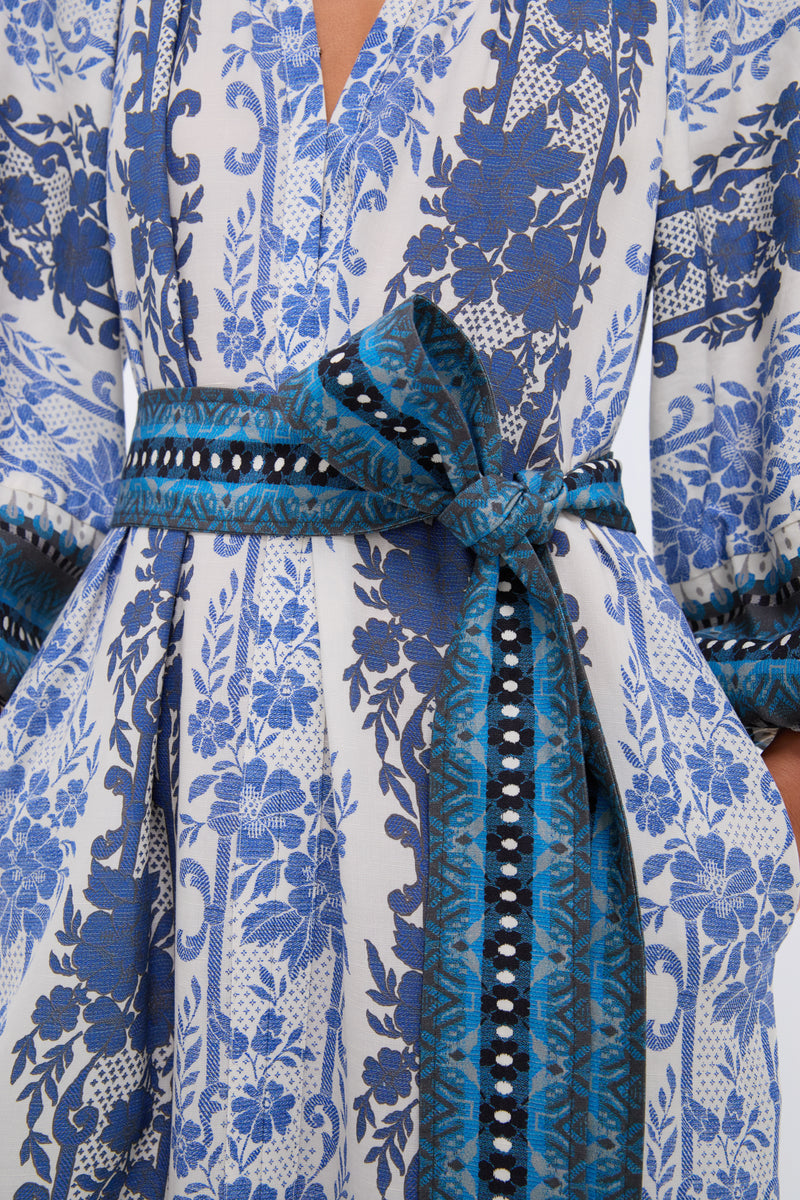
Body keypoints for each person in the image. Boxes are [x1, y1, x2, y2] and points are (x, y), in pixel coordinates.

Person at [1, 1, 800, 1197]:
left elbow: (751, 357)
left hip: (548, 712)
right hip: (163, 754)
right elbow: (31, 387)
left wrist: (754, 780)